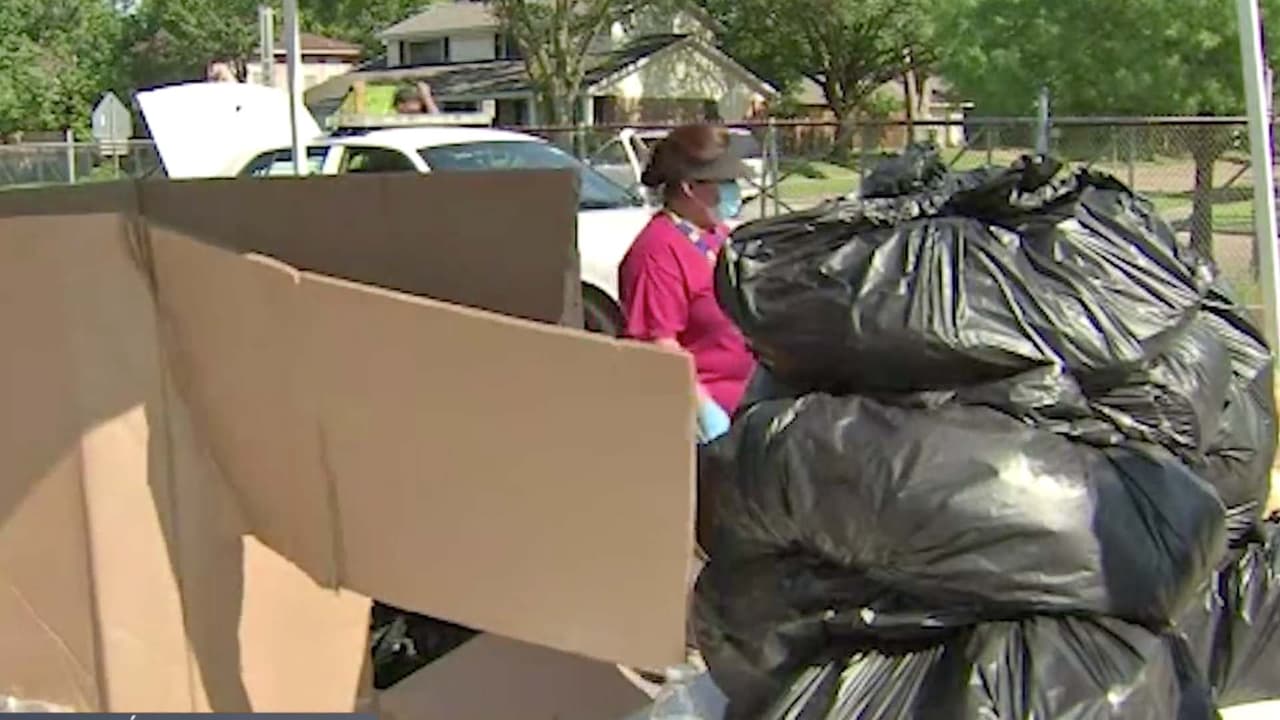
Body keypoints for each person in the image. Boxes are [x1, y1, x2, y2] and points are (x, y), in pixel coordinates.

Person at [618, 124, 755, 444]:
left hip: (746, 407)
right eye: (726, 182)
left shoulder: (716, 235)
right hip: (700, 424)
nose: (735, 191)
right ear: (690, 187)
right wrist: (705, 413)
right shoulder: (657, 253)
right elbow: (659, 347)